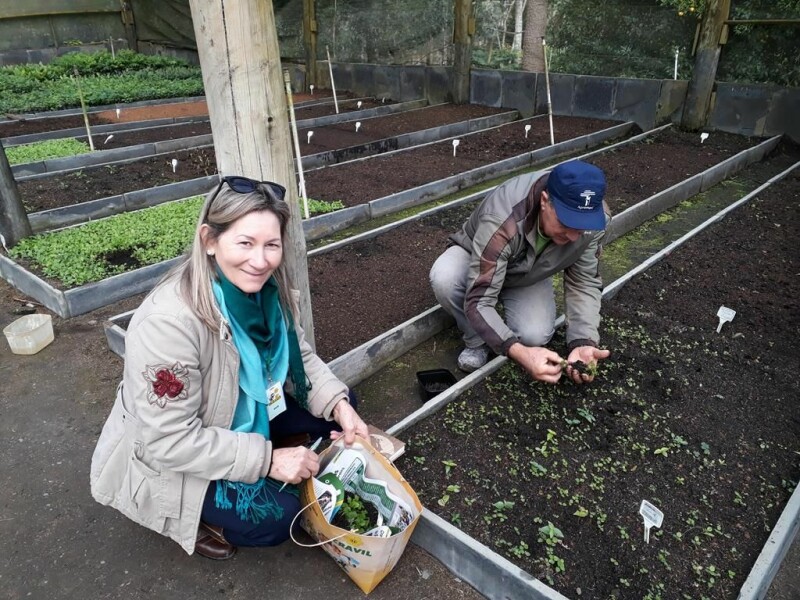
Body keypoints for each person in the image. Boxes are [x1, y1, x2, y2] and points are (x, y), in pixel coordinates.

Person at [90, 176, 369, 560]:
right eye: (245, 243)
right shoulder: (168, 324)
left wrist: (339, 404)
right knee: (279, 518)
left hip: (242, 407)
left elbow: (300, 358)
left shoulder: (270, 291)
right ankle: (204, 522)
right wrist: (269, 459)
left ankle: (270, 447)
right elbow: (169, 441)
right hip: (180, 452)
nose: (260, 260)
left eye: (271, 245)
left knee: (341, 408)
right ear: (209, 240)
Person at [430, 160, 611, 384]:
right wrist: (518, 352)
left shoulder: (594, 222)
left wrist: (583, 340)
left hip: (527, 271)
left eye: (580, 226)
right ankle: (476, 340)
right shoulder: (503, 217)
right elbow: (478, 299)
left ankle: (499, 318)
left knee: (535, 334)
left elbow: (583, 282)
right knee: (445, 277)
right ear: (545, 201)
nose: (574, 236)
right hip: (478, 260)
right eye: (567, 224)